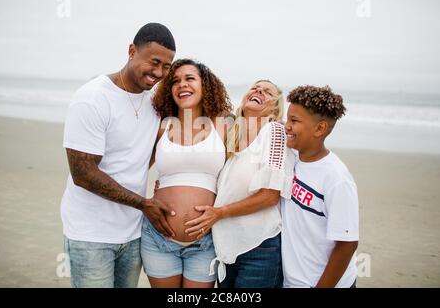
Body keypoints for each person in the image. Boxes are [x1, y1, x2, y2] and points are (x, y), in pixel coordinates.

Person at [61, 23, 176, 288]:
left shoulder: (155, 102)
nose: (158, 73)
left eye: (166, 67)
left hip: (133, 233)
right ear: (132, 51)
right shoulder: (92, 98)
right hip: (90, 234)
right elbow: (83, 174)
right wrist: (143, 204)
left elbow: (141, 155)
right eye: (154, 62)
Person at [184, 80, 294, 288]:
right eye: (255, 87)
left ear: (275, 106)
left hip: (259, 247)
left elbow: (270, 196)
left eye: (267, 91)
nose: (258, 90)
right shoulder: (233, 135)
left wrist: (220, 212)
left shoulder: (274, 132)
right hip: (226, 247)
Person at [141, 58, 233, 288]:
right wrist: (145, 202)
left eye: (190, 78)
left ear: (206, 86)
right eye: (175, 81)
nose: (182, 84)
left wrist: (277, 126)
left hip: (205, 241)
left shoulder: (223, 125)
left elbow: (247, 163)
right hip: (158, 238)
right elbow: (135, 167)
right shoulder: (162, 126)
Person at [281, 85, 359, 288]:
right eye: (287, 118)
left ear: (319, 128)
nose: (286, 126)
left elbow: (347, 244)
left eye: (294, 121)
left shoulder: (336, 178)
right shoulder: (293, 158)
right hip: (292, 281)